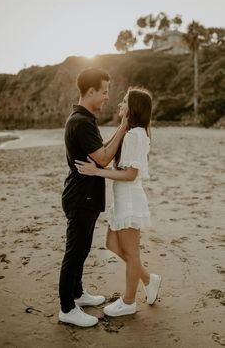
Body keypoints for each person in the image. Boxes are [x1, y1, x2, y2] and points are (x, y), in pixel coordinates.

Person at [75, 87, 161, 317]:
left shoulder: (135, 136)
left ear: (133, 108)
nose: (119, 105)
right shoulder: (132, 133)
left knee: (132, 254)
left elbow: (131, 174)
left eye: (124, 102)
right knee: (112, 244)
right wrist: (122, 127)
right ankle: (148, 279)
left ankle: (129, 301)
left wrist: (96, 172)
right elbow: (108, 152)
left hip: (130, 199)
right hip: (124, 199)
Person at [58, 67, 127, 327]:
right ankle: (66, 307)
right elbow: (104, 157)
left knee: (83, 249)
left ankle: (77, 293)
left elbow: (100, 150)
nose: (107, 97)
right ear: (90, 92)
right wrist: (123, 127)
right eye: (104, 92)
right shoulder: (81, 121)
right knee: (75, 252)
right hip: (80, 197)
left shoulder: (83, 118)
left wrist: (116, 134)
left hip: (84, 195)